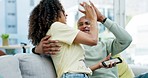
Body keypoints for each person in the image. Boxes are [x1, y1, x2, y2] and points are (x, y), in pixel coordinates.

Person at [34, 1, 134, 78]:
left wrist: (103, 19)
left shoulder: (105, 45)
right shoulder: (73, 43)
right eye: (80, 24)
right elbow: (92, 40)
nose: (84, 26)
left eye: (88, 23)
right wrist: (93, 18)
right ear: (77, 30)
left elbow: (127, 39)